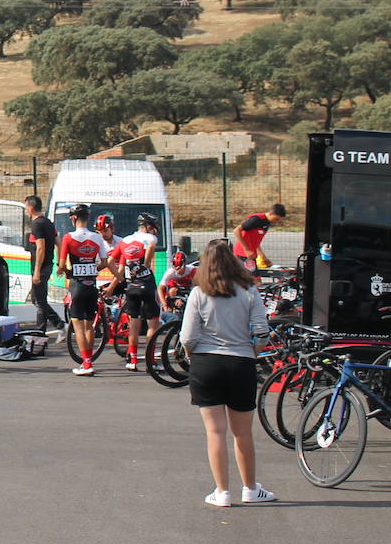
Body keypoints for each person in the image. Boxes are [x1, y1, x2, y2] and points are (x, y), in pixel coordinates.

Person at [179, 239, 276, 507]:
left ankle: (222, 492)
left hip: (206, 364)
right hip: (240, 362)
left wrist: (192, 355)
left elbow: (187, 336)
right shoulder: (248, 291)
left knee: (215, 432)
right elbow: (262, 331)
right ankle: (250, 488)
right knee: (242, 433)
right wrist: (253, 351)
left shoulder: (198, 293)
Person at [58, 204, 121, 377]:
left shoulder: (68, 238)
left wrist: (65, 271)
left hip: (77, 286)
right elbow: (105, 261)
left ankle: (86, 363)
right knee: (89, 325)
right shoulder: (97, 237)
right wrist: (93, 269)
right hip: (91, 286)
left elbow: (63, 264)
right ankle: (89, 361)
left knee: (77, 325)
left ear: (74, 218)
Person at [105, 213, 162, 371]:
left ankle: (133, 359)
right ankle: (151, 361)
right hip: (147, 285)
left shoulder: (125, 240)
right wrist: (145, 264)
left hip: (131, 287)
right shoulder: (150, 238)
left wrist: (118, 278)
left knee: (134, 325)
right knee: (153, 324)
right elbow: (150, 247)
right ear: (149, 226)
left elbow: (110, 261)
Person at [24, 196, 63, 335]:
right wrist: (60, 262)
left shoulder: (37, 224)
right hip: (48, 265)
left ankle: (59, 326)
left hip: (41, 267)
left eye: (26, 207)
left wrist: (37, 271)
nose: (26, 210)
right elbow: (59, 242)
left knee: (39, 300)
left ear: (31, 208)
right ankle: (42, 332)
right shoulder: (48, 222)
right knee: (38, 299)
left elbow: (40, 247)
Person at [232, 203, 286, 272]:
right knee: (255, 280)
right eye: (276, 219)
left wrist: (263, 257)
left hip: (251, 255)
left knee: (255, 280)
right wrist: (247, 249)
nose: (276, 222)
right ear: (271, 213)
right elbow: (236, 230)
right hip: (242, 254)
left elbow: (255, 241)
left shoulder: (267, 223)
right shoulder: (256, 219)